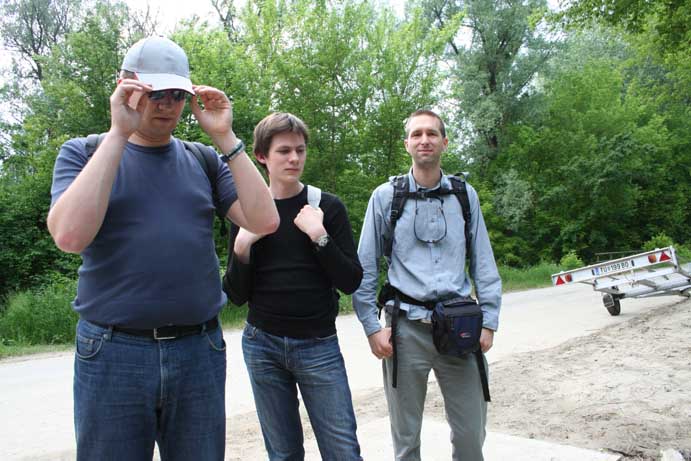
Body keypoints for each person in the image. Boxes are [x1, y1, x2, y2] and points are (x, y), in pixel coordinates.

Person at [47, 36, 279, 461]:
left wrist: (226, 137)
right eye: (154, 92)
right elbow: (69, 237)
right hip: (113, 353)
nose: (166, 104)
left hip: (198, 351)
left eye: (177, 94)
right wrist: (119, 133)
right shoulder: (84, 153)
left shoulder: (203, 159)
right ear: (125, 86)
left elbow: (265, 221)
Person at [352, 109, 502, 460]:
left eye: (432, 134)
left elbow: (483, 260)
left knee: (471, 435)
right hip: (405, 330)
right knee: (406, 438)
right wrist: (372, 328)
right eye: (417, 134)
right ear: (406, 143)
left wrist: (490, 321)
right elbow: (365, 267)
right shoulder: (386, 197)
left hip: (460, 328)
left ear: (444, 142)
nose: (424, 140)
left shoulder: (464, 195)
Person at [223, 112, 363, 461]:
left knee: (343, 452)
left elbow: (350, 281)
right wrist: (242, 247)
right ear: (261, 156)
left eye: (300, 150)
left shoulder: (326, 207)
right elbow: (236, 296)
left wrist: (320, 236)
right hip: (262, 346)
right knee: (283, 454)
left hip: (318, 345)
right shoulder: (247, 211)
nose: (294, 159)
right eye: (284, 151)